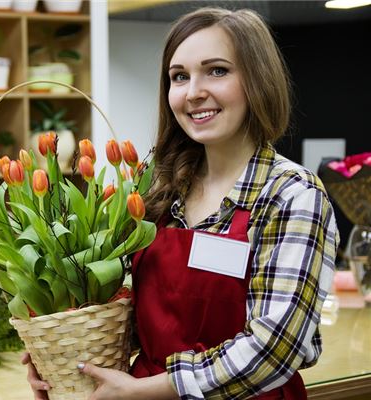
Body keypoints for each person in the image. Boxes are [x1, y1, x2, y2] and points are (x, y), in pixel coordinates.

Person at [23, 7, 339, 399]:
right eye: (179, 77)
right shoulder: (158, 190)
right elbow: (129, 314)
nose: (193, 92)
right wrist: (63, 353)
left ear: (258, 80)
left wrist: (153, 390)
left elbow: (274, 349)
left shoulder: (290, 194)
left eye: (217, 70)